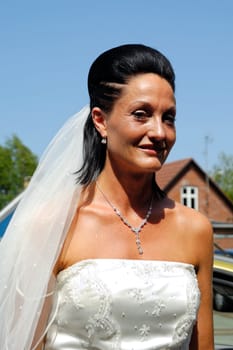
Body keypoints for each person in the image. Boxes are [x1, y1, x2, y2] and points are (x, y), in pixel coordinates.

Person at [0, 44, 214, 350]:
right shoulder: (51, 224)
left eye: (169, 118)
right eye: (141, 115)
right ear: (101, 120)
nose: (159, 132)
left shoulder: (195, 229)